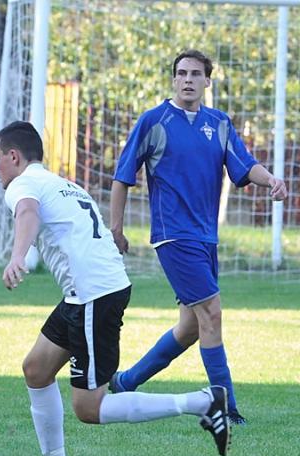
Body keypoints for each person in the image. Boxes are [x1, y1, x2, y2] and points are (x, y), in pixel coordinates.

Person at [0, 120, 229, 456]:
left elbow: (27, 212)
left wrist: (17, 256)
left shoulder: (23, 185)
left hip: (94, 294)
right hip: (89, 292)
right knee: (36, 369)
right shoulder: (61, 184)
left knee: (89, 407)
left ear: (13, 156)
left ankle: (202, 402)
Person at [109, 49, 288, 425]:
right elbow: (123, 177)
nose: (187, 79)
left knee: (191, 327)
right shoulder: (154, 121)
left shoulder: (219, 123)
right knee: (212, 313)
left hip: (206, 237)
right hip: (173, 236)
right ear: (173, 79)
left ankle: (125, 382)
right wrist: (116, 229)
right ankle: (226, 405)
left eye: (195, 74)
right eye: (181, 73)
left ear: (207, 81)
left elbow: (245, 166)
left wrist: (271, 178)